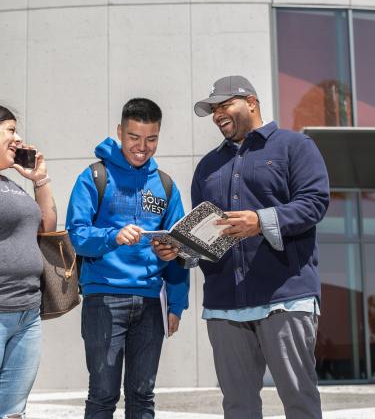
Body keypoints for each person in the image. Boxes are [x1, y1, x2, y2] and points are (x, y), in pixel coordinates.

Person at [191, 76, 330, 419]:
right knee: (238, 408)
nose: (217, 114)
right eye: (213, 109)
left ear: (251, 102)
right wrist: (182, 252)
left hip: (285, 297)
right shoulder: (207, 166)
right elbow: (205, 230)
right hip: (225, 305)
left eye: (225, 105)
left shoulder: (295, 146)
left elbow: (314, 203)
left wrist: (261, 221)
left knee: (300, 402)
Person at [66, 98, 189, 419]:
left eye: (151, 139)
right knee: (103, 394)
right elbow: (77, 235)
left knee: (142, 395)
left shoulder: (165, 185)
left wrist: (176, 304)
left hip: (151, 303)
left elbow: (180, 246)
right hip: (103, 299)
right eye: (134, 137)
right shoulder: (94, 177)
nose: (142, 147)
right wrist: (112, 236)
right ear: (120, 132)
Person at [0, 105, 57, 418]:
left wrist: (40, 178)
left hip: (27, 313)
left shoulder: (12, 186)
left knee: (12, 411)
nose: (18, 138)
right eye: (10, 129)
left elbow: (47, 229)